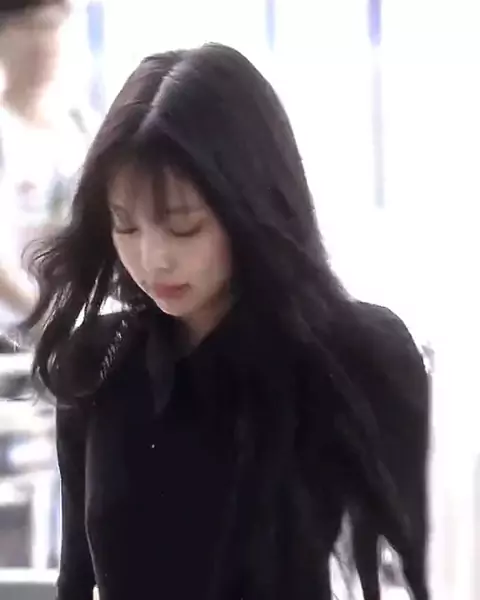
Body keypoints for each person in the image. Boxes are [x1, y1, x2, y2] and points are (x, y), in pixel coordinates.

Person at [22, 44, 430, 600]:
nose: (152, 259)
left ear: (249, 208)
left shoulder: (361, 355)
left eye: (182, 226)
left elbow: (420, 569)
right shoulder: (98, 361)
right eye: (126, 226)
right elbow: (77, 580)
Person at [0, 0, 96, 326]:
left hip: (75, 324)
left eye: (53, 26)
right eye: (28, 27)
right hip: (13, 333)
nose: (42, 42)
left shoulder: (83, 126)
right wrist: (46, 319)